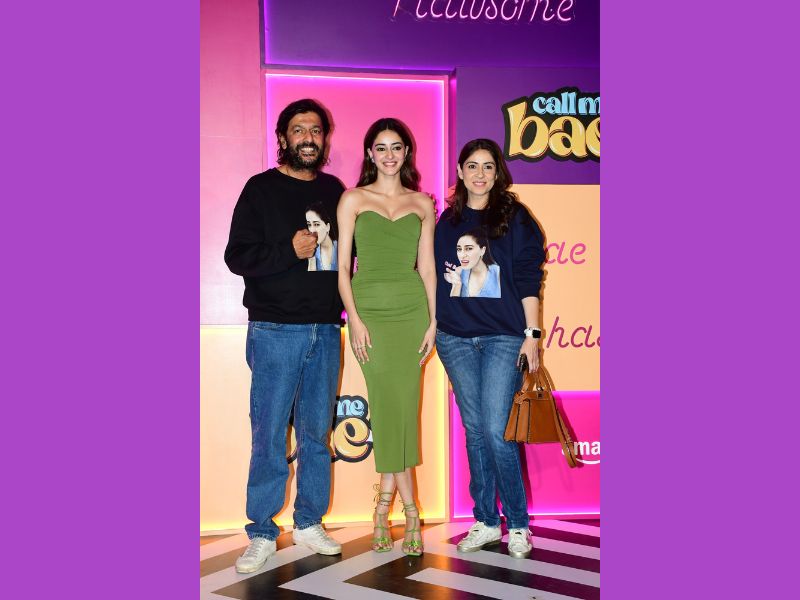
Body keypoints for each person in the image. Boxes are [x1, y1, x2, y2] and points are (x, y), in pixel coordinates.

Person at [224, 99, 345, 574]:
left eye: (315, 130)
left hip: (326, 328)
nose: (308, 138)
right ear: (283, 137)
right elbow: (237, 256)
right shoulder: (260, 189)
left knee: (316, 434)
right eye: (299, 130)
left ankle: (310, 521)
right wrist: (288, 251)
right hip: (274, 329)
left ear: (324, 138)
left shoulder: (335, 191)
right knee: (270, 434)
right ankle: (261, 531)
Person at [434, 138, 545, 559]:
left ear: (497, 173)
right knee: (476, 430)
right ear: (460, 172)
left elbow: (529, 277)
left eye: (487, 167)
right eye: (472, 166)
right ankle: (485, 519)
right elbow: (435, 276)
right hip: (455, 338)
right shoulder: (446, 223)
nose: (479, 174)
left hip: (503, 337)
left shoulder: (515, 217)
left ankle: (517, 523)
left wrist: (532, 335)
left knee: (498, 432)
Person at [337, 118, 437, 556]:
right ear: (370, 154)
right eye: (381, 147)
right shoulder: (353, 199)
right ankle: (410, 511)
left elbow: (427, 267)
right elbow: (343, 268)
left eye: (397, 147)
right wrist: (355, 320)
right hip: (370, 316)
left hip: (412, 315)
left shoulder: (422, 203)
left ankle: (383, 509)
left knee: (403, 411)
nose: (390, 155)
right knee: (386, 407)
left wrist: (433, 321)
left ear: (406, 152)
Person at [444, 229, 501, 297]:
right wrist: (457, 285)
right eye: (459, 249)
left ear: (482, 250)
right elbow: (453, 302)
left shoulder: (497, 272)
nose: (462, 255)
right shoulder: (458, 272)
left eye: (469, 248)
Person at [306, 202, 338, 271]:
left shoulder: (340, 248)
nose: (312, 230)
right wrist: (311, 260)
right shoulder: (311, 251)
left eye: (316, 224)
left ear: (327, 227)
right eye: (309, 225)